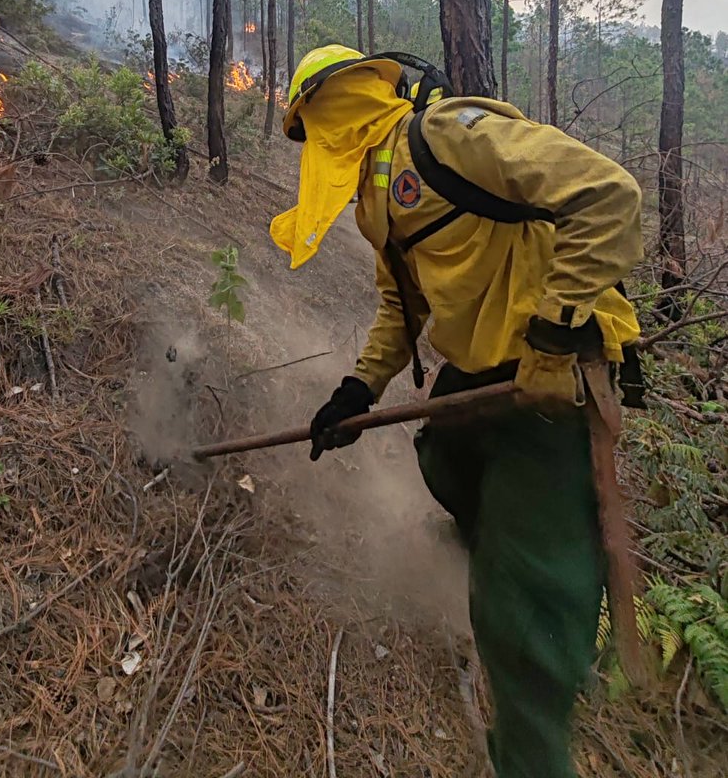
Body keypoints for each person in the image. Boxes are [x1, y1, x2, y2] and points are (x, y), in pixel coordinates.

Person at [270, 45, 643, 778]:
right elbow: (399, 307)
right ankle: (514, 565)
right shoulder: (377, 196)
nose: (313, 143)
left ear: (342, 101)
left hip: (547, 392)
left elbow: (610, 195)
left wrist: (556, 332)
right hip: (478, 376)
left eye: (311, 124)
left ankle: (539, 679)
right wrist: (357, 392)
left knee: (523, 607)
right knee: (440, 450)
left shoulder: (450, 137)